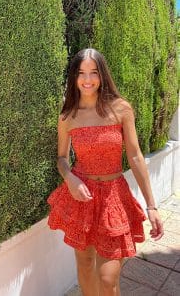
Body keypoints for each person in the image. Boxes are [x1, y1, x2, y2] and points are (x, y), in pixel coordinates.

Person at [47, 48, 164, 296]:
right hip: (83, 197)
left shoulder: (120, 109)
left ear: (102, 75)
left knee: (108, 278)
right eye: (81, 73)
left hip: (113, 197)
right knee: (86, 264)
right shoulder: (68, 116)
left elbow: (135, 156)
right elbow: (61, 158)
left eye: (93, 73)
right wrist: (70, 179)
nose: (87, 80)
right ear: (74, 77)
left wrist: (151, 206)